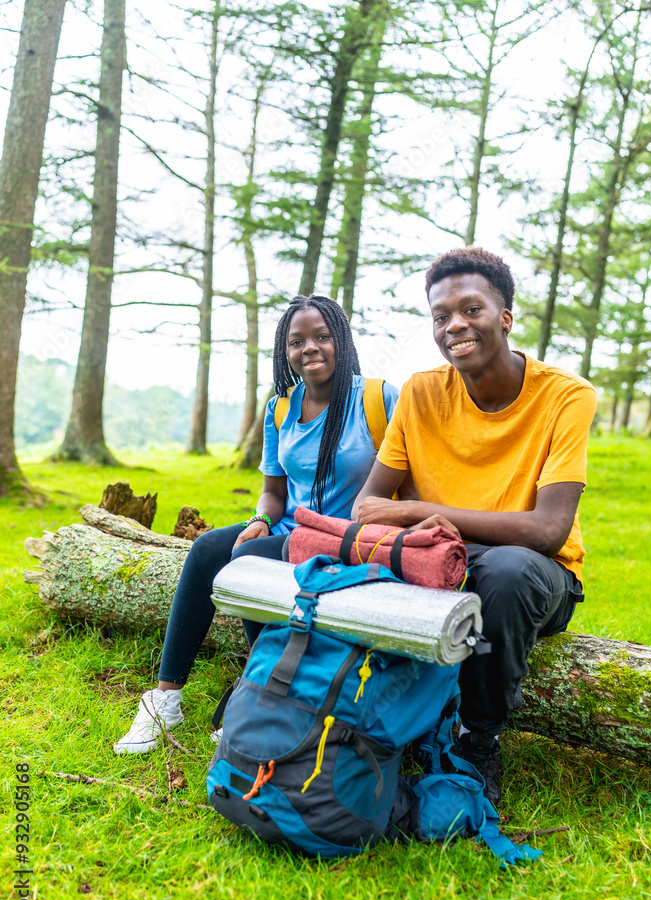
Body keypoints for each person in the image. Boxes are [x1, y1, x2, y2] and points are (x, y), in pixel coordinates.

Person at [352, 247, 597, 803]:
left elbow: (548, 532)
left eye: (471, 310)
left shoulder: (565, 396)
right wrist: (412, 527)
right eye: (441, 317)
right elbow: (368, 505)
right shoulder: (419, 392)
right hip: (444, 563)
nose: (454, 326)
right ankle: (392, 718)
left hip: (534, 577)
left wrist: (418, 514)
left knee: (506, 572)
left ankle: (478, 739)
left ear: (505, 318)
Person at [114, 294, 399, 754]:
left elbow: (405, 478)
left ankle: (259, 692)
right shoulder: (281, 408)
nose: (310, 348)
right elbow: (274, 492)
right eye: (296, 340)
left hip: (346, 542)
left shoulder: (378, 397)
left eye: (323, 336)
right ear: (282, 351)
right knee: (208, 547)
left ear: (341, 340)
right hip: (290, 530)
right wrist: (261, 519)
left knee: (247, 560)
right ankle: (165, 699)